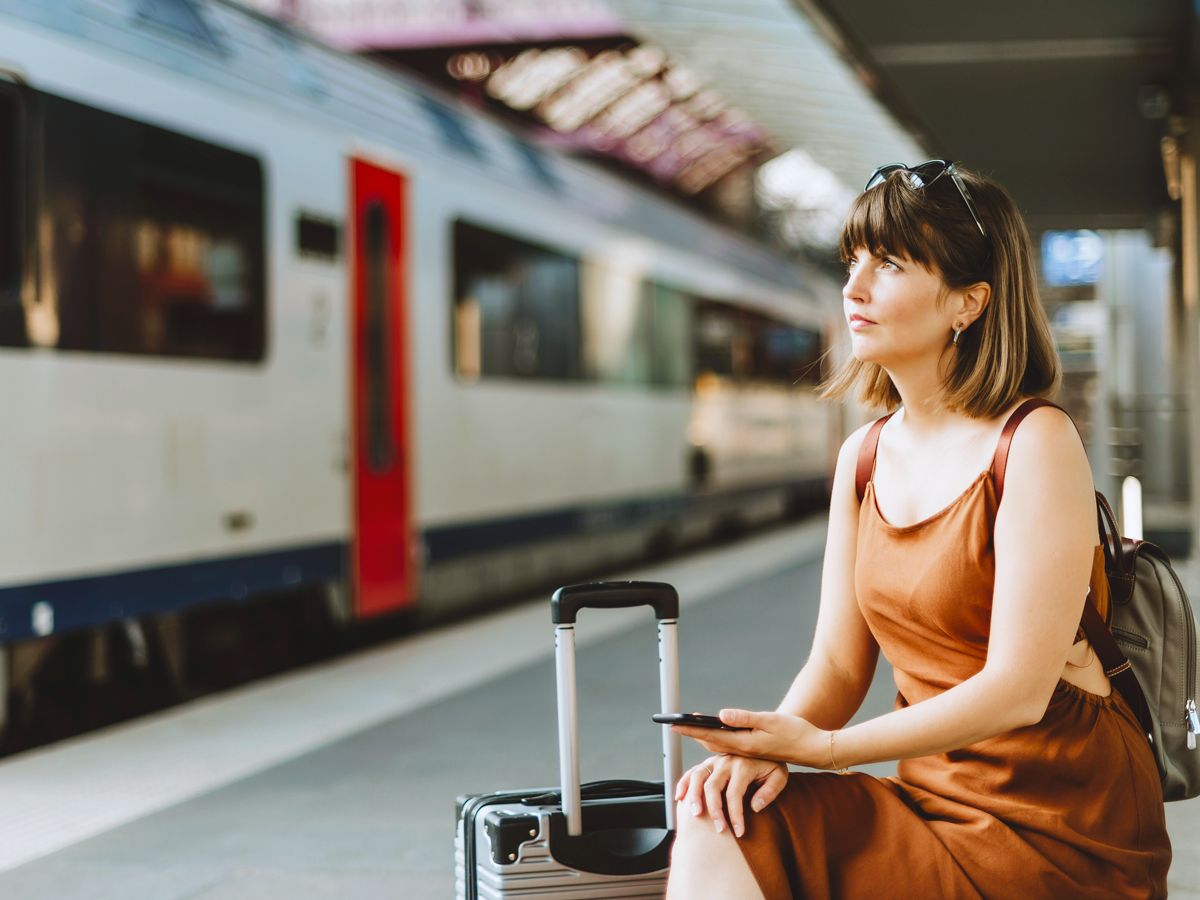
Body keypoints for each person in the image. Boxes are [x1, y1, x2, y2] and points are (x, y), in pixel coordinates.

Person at [664, 160, 1172, 899]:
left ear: (969, 302)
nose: (855, 287)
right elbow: (840, 667)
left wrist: (829, 750)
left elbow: (1017, 692)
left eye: (891, 263)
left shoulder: (1034, 442)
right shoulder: (863, 457)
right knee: (717, 812)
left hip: (1059, 821)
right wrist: (766, 748)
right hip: (930, 798)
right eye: (853, 260)